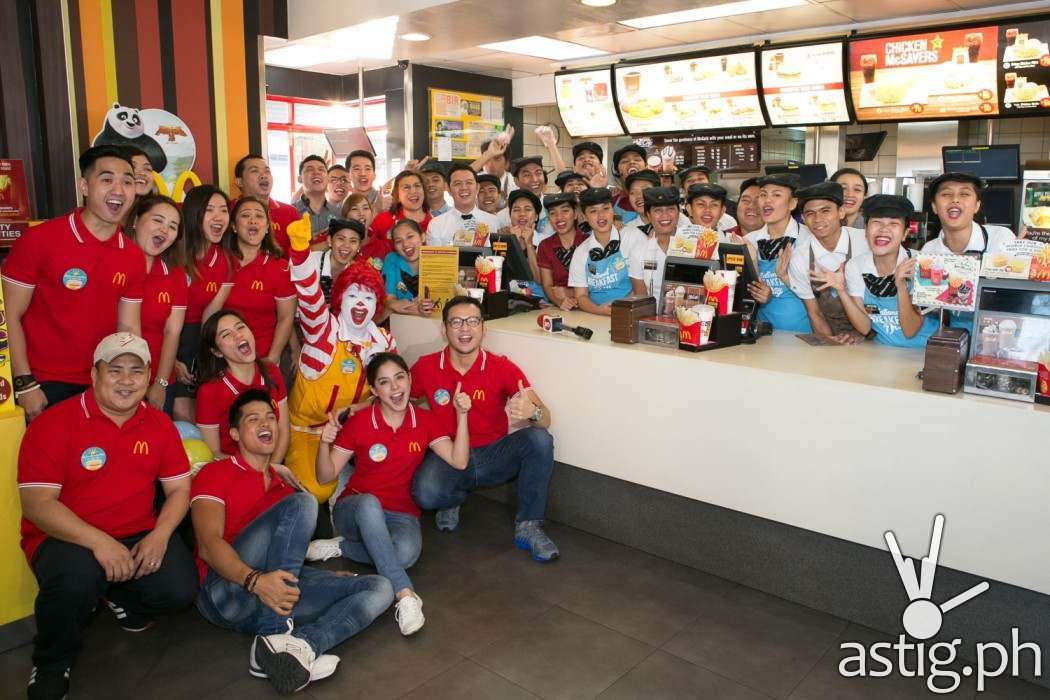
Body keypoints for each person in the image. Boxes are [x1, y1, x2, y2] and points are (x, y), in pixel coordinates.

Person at [19, 333, 197, 700]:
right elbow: (38, 505)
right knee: (76, 580)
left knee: (179, 588)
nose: (126, 380)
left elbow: (179, 490)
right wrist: (100, 544)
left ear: (149, 376)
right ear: (94, 374)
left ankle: (117, 594)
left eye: (136, 371)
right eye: (114, 370)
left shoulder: (159, 425)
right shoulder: (53, 424)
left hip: (136, 532)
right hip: (67, 537)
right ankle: (51, 662)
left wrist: (159, 536)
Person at [192, 389, 393, 695]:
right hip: (226, 591)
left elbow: (285, 552)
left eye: (271, 418)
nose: (266, 424)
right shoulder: (214, 473)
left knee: (380, 588)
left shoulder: (281, 484)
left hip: (273, 591)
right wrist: (255, 581)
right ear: (234, 432)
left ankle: (301, 647)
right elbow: (207, 545)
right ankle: (275, 631)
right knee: (304, 503)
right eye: (254, 419)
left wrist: (320, 577)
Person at [308, 353, 471, 635]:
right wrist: (325, 443)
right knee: (370, 504)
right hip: (355, 509)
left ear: (409, 379)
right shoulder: (360, 423)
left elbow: (459, 461)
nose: (395, 388)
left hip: (400, 512)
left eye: (399, 378)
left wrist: (463, 416)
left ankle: (342, 547)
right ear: (374, 391)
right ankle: (404, 594)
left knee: (406, 553)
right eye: (384, 382)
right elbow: (325, 476)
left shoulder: (424, 420)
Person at [410, 296, 559, 562]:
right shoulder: (426, 366)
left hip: (493, 455)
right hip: (451, 456)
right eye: (456, 322)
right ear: (444, 329)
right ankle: (451, 499)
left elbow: (545, 418)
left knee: (540, 439)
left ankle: (529, 526)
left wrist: (532, 412)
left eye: (472, 322)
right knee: (425, 493)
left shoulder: (502, 367)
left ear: (483, 329)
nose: (464, 329)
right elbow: (398, 403)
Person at [3, 145, 145, 420]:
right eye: (106, 180)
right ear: (84, 186)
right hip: (44, 384)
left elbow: (128, 327)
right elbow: (10, 315)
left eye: (127, 182)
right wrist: (24, 383)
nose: (119, 189)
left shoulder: (133, 256)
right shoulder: (39, 240)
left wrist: (132, 382)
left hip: (102, 385)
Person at [284, 215, 395, 501]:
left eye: (369, 298)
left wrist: (362, 407)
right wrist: (299, 249)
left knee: (388, 474)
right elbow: (308, 296)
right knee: (317, 490)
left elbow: (394, 389)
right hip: (308, 431)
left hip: (353, 431)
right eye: (353, 296)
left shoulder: (383, 342)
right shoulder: (323, 329)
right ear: (339, 299)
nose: (361, 304)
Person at [839, 195, 938, 347]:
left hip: (925, 353)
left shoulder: (923, 264)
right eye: (876, 222)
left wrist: (901, 287)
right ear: (866, 230)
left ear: (905, 233)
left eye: (893, 223)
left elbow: (910, 331)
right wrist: (841, 290)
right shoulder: (855, 266)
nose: (884, 229)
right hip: (883, 352)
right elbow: (865, 327)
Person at [921, 172, 1015, 329]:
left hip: (997, 330)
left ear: (977, 205)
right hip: (953, 334)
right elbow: (931, 309)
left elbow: (1011, 297)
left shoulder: (1001, 239)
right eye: (946, 194)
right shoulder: (929, 251)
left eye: (964, 193)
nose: (955, 199)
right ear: (934, 206)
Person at [195, 309, 290, 463]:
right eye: (226, 334)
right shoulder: (209, 391)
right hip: (233, 473)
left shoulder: (271, 371)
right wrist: (257, 473)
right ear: (217, 352)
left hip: (273, 467)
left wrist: (271, 470)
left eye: (240, 327)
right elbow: (213, 452)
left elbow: (284, 430)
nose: (238, 335)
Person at [173, 185, 234, 421]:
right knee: (176, 410)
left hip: (196, 338)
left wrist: (202, 359)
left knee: (193, 411)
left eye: (223, 210)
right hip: (162, 337)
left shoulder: (226, 262)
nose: (219, 217)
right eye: (210, 210)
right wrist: (170, 362)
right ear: (193, 214)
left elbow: (211, 315)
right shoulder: (172, 253)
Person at [127, 194, 187, 411]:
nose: (164, 230)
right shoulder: (113, 263)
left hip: (160, 379)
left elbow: (172, 331)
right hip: (117, 377)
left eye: (172, 226)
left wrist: (160, 383)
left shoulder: (175, 273)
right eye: (157, 220)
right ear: (135, 221)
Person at [790, 182, 869, 344]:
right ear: (803, 219)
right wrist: (833, 343)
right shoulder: (800, 258)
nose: (818, 219)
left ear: (841, 212)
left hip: (877, 335)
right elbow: (815, 313)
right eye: (810, 213)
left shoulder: (865, 243)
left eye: (825, 211)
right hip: (833, 336)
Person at [224, 197, 297, 365]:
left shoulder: (280, 267)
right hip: (224, 357)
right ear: (234, 226)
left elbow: (286, 317)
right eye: (245, 215)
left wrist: (273, 357)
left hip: (265, 356)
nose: (253, 220)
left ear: (266, 228)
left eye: (259, 216)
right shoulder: (221, 262)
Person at [744, 173, 812, 333]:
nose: (767, 200)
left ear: (793, 203)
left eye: (777, 194)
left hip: (803, 335)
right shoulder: (749, 241)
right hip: (762, 336)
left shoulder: (808, 239)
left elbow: (820, 297)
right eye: (763, 195)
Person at [569, 187, 646, 315]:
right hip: (596, 315)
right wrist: (600, 310)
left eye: (606, 208)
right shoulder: (581, 252)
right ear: (584, 217)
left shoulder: (633, 237)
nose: (601, 216)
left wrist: (624, 307)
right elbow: (581, 296)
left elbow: (645, 284)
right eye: (593, 211)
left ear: (613, 211)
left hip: (632, 312)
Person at [234, 154, 300, 254]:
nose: (263, 175)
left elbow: (299, 254)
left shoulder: (289, 212)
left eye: (267, 171)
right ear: (239, 182)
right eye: (254, 171)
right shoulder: (228, 210)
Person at [364, 170, 431, 268]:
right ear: (397, 196)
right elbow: (363, 242)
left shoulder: (435, 224)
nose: (413, 191)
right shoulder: (383, 219)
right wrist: (374, 211)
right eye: (406, 187)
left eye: (417, 186)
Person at [630, 187, 682, 312]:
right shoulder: (638, 252)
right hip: (654, 319)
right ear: (648, 215)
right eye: (658, 210)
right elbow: (642, 300)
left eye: (671, 209)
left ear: (678, 213)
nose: (665, 215)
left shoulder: (694, 245)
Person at [427, 163, 500, 247]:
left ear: (477, 188)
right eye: (457, 183)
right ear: (449, 189)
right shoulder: (436, 225)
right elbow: (435, 259)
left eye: (469, 182)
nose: (464, 187)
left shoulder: (493, 222)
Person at [537, 193, 586, 311]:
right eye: (553, 213)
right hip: (563, 309)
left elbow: (597, 285)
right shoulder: (545, 246)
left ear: (575, 214)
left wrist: (569, 292)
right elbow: (547, 285)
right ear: (549, 218)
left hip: (591, 305)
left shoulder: (588, 242)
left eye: (565, 211)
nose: (559, 218)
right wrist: (560, 302)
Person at [381, 220, 436, 318]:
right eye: (398, 241)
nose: (405, 244)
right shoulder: (391, 259)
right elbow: (390, 302)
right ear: (394, 246)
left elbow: (442, 302)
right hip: (399, 325)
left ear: (423, 237)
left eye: (410, 237)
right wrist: (418, 309)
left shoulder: (436, 258)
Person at [306, 218, 365, 304]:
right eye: (341, 239)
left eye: (353, 241)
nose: (346, 245)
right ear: (329, 240)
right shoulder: (310, 263)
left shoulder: (356, 275)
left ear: (359, 247)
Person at [497, 156, 551, 238]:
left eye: (538, 173)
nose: (534, 179)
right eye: (527, 175)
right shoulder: (502, 218)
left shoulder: (552, 210)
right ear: (516, 181)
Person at [294, 155, 340, 244]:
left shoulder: (339, 214)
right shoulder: (290, 213)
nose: (316, 172)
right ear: (300, 179)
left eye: (321, 169)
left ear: (328, 178)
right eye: (310, 169)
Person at [679, 166, 738, 232]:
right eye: (690, 180)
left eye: (700, 178)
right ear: (683, 190)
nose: (696, 183)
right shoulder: (675, 221)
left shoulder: (728, 221)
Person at [504, 189, 544, 282]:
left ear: (536, 216)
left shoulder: (546, 242)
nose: (522, 214)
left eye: (528, 209)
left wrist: (529, 245)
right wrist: (513, 244)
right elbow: (502, 277)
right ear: (510, 215)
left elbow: (539, 280)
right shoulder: (501, 241)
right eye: (516, 210)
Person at [610, 144, 648, 223]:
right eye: (625, 161)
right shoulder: (611, 200)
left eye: (637, 159)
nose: (632, 162)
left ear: (646, 166)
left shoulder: (658, 195)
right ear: (617, 171)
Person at [473, 138, 515, 207]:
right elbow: (462, 176)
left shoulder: (515, 184)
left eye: (497, 159)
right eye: (487, 159)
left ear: (507, 163)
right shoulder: (474, 180)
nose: (490, 165)